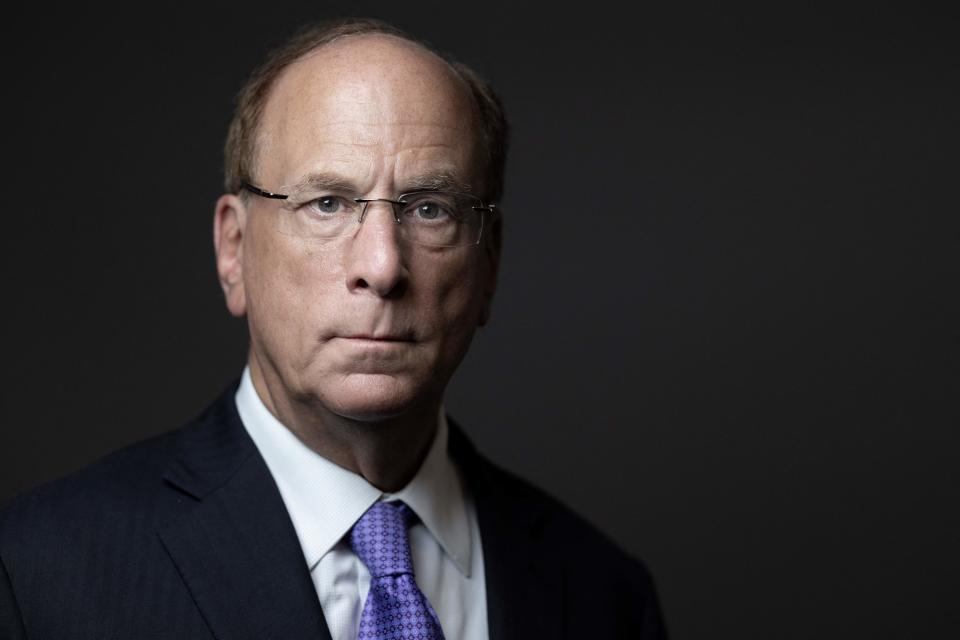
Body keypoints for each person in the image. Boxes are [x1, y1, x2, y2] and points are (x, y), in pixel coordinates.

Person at [0, 18, 666, 639]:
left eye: (429, 208)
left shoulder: (603, 595)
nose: (381, 266)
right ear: (234, 250)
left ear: (489, 262)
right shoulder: (37, 574)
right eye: (327, 203)